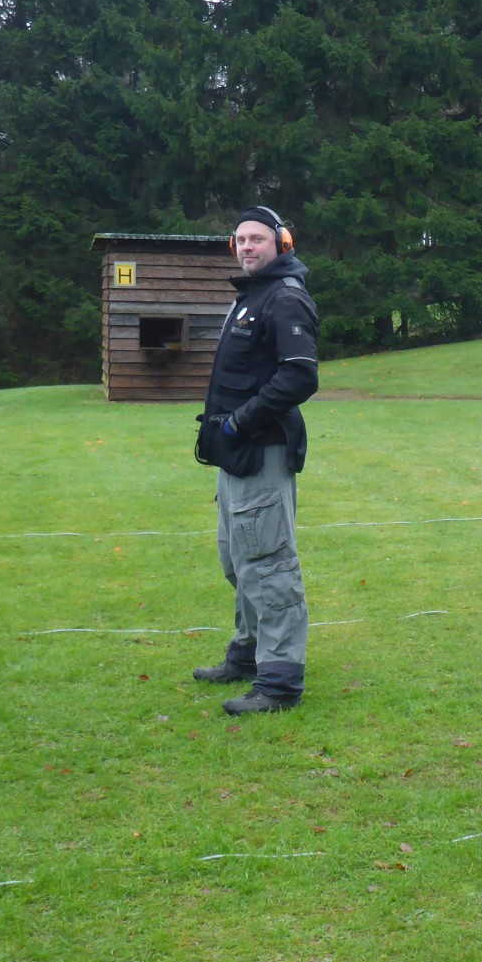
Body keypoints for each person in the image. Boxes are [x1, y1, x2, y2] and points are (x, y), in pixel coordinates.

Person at [192, 206, 320, 715]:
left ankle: (280, 682)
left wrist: (240, 422)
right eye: (240, 239)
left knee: (268, 562)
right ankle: (246, 656)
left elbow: (299, 375)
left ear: (281, 243)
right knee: (238, 558)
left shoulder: (285, 297)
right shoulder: (251, 297)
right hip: (236, 455)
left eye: (257, 239)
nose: (247, 246)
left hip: (260, 448)